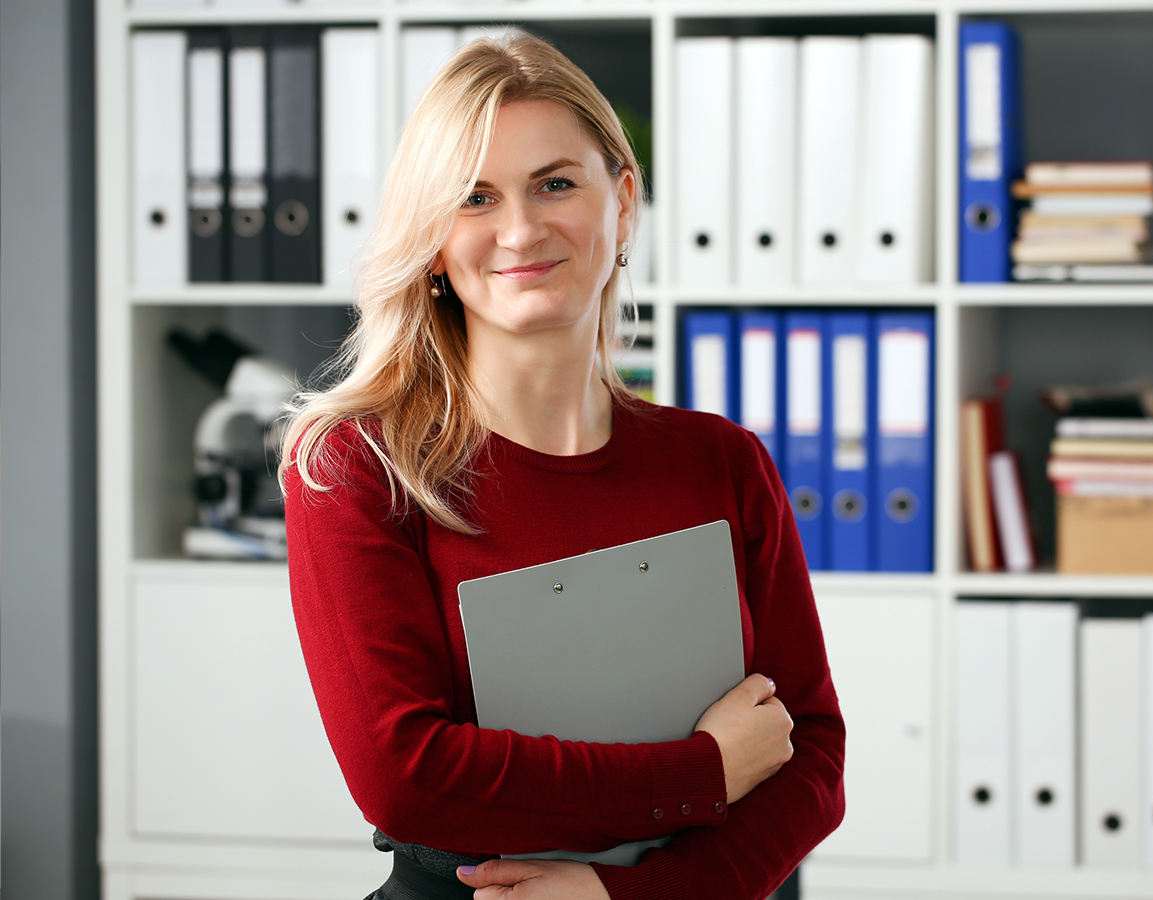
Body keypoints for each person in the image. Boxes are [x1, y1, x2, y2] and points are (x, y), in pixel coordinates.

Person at [280, 31, 844, 900]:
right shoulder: (355, 468)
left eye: (555, 184)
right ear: (432, 239)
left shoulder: (724, 462)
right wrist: (702, 773)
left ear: (624, 202)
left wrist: (623, 897)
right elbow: (405, 776)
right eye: (474, 198)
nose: (521, 229)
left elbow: (811, 757)